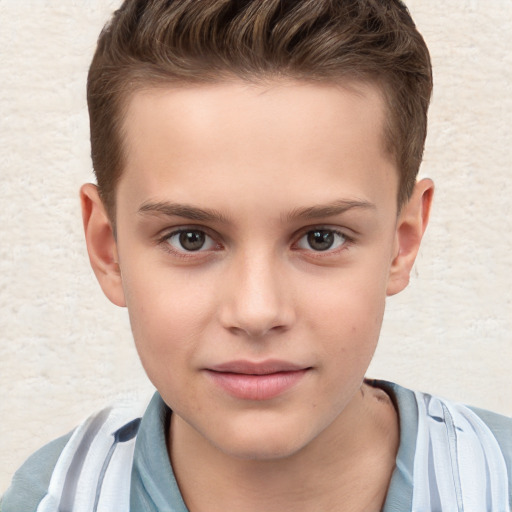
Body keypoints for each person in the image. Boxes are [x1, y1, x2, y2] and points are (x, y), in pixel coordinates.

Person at [2, 0, 511, 511]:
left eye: (321, 238)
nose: (256, 311)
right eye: (191, 238)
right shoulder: (47, 498)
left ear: (403, 241)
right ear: (107, 248)